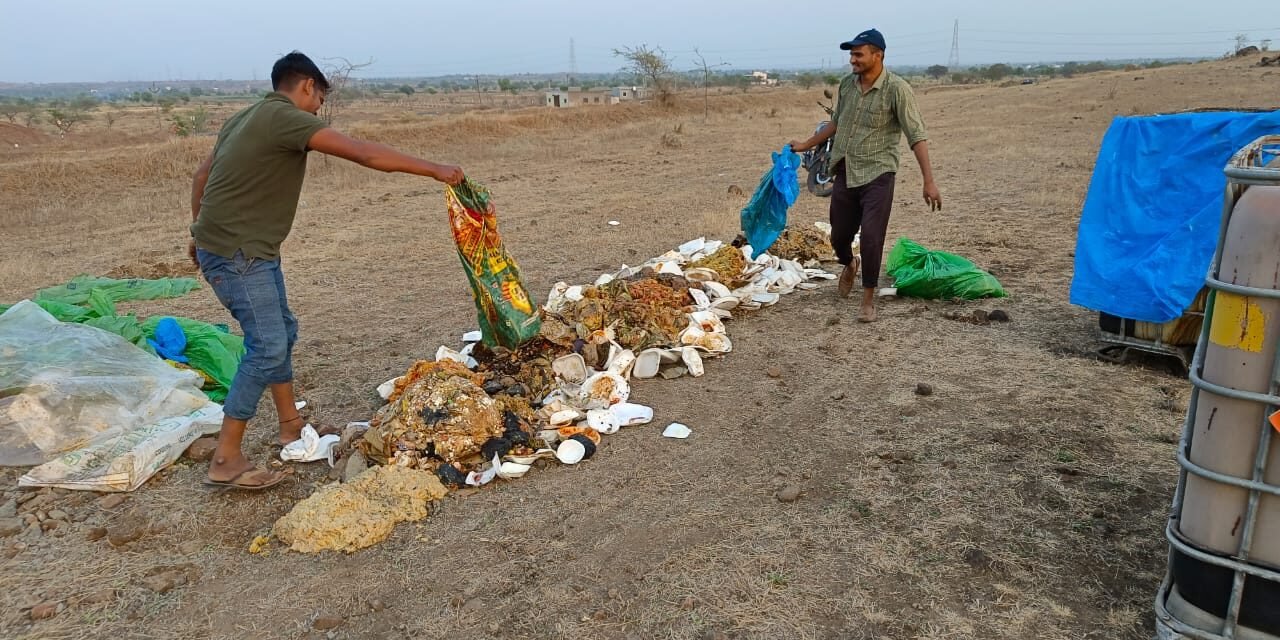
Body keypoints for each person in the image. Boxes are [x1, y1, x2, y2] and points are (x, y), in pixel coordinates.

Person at [188, 51, 463, 490]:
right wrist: (435, 169)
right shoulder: (285, 118)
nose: (318, 109)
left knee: (282, 331)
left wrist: (198, 231)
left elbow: (202, 177)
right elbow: (363, 154)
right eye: (319, 98)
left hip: (243, 248)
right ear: (306, 86)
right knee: (267, 345)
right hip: (239, 254)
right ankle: (226, 459)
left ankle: (290, 425)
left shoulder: (244, 118)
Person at [789, 29, 942, 323]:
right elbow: (836, 123)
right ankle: (850, 263)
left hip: (878, 173)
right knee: (839, 236)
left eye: (858, 54)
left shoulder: (897, 89)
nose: (852, 60)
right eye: (851, 54)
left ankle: (868, 298)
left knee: (872, 236)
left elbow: (916, 135)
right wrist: (806, 145)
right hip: (846, 170)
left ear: (878, 55)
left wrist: (929, 181)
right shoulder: (847, 85)